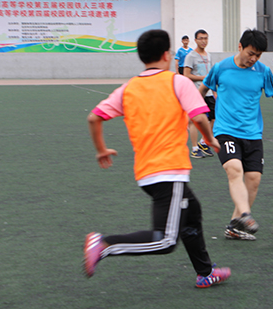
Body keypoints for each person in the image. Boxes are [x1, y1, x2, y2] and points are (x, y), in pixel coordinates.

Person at [83, 29, 230, 288]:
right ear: (166, 55)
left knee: (192, 213)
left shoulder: (129, 88)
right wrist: (209, 139)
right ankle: (104, 244)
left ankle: (205, 272)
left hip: (146, 172)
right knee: (165, 241)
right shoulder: (178, 82)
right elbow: (199, 116)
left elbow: (94, 117)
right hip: (169, 170)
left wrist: (101, 149)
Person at [199, 29, 273, 241]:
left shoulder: (263, 71)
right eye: (251, 53)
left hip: (252, 133)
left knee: (253, 180)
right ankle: (245, 214)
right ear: (240, 46)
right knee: (234, 170)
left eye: (258, 55)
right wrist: (191, 112)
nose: (253, 59)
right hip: (225, 131)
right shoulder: (221, 68)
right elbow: (203, 89)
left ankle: (235, 226)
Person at [184, 29, 215, 159]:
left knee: (214, 118)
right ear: (195, 40)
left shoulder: (209, 56)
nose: (203, 41)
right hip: (196, 93)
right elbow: (186, 75)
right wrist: (204, 78)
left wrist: (214, 91)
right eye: (201, 38)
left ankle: (203, 142)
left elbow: (211, 75)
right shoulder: (191, 56)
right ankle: (194, 148)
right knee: (194, 121)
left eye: (205, 38)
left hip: (208, 93)